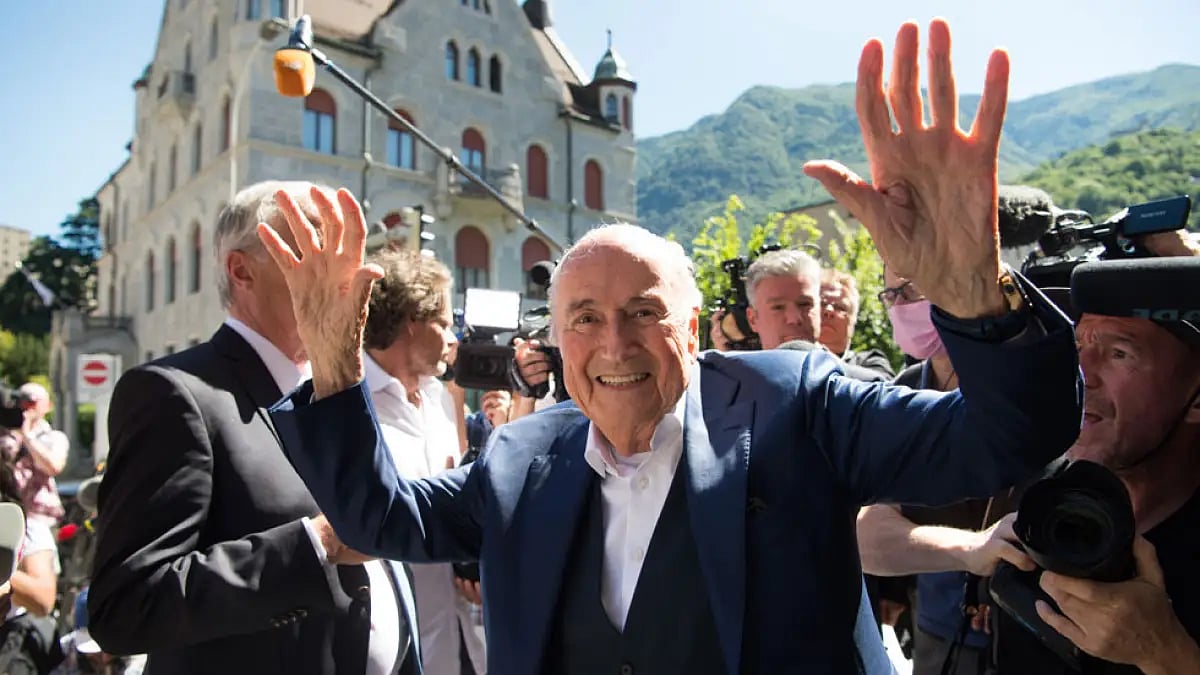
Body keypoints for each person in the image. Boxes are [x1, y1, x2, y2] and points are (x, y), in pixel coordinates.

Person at [260, 19, 1084, 674]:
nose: (612, 342)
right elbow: (380, 517)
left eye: (642, 311)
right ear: (556, 336)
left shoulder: (798, 400)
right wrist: (333, 364)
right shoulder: (517, 457)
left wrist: (974, 293)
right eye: (582, 317)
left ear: (691, 330)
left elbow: (1004, 439)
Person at [87, 181, 420, 675]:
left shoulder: (346, 391)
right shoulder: (175, 394)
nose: (341, 270)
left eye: (346, 250)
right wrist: (318, 546)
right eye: (311, 247)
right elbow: (127, 606)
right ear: (242, 270)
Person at [860, 234, 1200, 675]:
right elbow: (869, 536)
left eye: (1120, 353)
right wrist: (971, 549)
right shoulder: (1038, 483)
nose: (1082, 374)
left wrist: (1165, 653)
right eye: (1077, 347)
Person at [360, 247, 484, 675]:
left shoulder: (439, 402)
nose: (453, 339)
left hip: (463, 644)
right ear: (412, 321)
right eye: (445, 323)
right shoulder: (350, 409)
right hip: (391, 656)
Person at [10, 383, 69, 529]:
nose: (26, 408)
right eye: (21, 402)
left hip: (41, 517)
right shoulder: (6, 436)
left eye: (32, 403)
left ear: (47, 406)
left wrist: (27, 437)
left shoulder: (54, 438)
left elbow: (53, 467)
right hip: (9, 514)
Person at [819, 268, 895, 379]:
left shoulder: (871, 363)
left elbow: (883, 387)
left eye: (839, 307)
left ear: (852, 321)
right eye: (822, 303)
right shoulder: (789, 357)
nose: (829, 311)